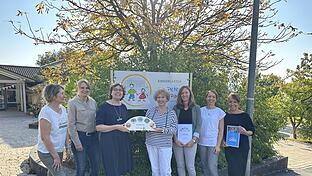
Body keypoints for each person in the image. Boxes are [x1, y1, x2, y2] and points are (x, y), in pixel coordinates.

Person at [95, 83, 133, 176]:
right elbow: (98, 127)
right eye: (115, 89)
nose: (118, 92)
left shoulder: (123, 107)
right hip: (109, 143)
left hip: (122, 141)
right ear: (111, 92)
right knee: (111, 168)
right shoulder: (104, 106)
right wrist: (116, 127)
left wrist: (129, 127)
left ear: (123, 93)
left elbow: (125, 124)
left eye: (120, 90)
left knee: (121, 168)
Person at [37, 84, 70, 176]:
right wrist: (55, 156)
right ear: (53, 95)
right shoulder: (46, 112)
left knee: (52, 174)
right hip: (46, 153)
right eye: (62, 93)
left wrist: (67, 148)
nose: (64, 95)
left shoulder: (63, 109)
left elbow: (65, 129)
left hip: (58, 150)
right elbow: (45, 138)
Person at [68, 79, 99, 176]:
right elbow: (71, 124)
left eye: (87, 88)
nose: (85, 90)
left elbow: (96, 119)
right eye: (82, 88)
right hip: (80, 137)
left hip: (93, 138)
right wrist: (77, 143)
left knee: (96, 166)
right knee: (81, 168)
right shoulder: (72, 103)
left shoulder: (93, 101)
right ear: (77, 88)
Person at [145, 89, 178, 176]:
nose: (160, 99)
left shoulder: (171, 113)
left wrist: (162, 130)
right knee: (155, 170)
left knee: (165, 171)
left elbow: (174, 129)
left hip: (165, 145)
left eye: (163, 97)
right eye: (158, 97)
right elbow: (145, 125)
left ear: (167, 99)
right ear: (156, 99)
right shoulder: (150, 111)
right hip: (151, 143)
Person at [173, 86, 201, 176]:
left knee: (190, 166)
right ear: (180, 96)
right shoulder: (176, 108)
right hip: (177, 141)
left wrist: (193, 140)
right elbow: (173, 125)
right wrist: (175, 139)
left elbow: (198, 125)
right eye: (182, 93)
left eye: (186, 92)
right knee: (180, 165)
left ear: (190, 94)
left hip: (191, 142)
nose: (184, 94)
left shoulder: (196, 108)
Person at [224, 93, 255, 176]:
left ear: (238, 103)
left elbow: (252, 131)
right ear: (228, 103)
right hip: (229, 147)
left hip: (242, 148)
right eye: (230, 102)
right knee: (231, 170)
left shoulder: (244, 116)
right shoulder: (225, 115)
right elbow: (222, 131)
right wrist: (223, 141)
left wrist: (245, 132)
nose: (232, 104)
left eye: (235, 102)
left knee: (240, 171)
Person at [198, 90, 225, 176]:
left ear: (216, 99)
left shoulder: (220, 112)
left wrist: (218, 145)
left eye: (213, 97)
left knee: (212, 166)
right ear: (206, 98)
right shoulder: (200, 110)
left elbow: (221, 130)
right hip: (201, 143)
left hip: (213, 143)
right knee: (204, 166)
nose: (211, 98)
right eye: (209, 96)